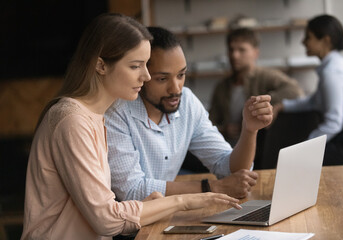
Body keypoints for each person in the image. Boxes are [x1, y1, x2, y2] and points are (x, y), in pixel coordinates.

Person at [20, 14, 243, 240]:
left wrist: (147, 207)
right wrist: (183, 200)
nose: (145, 76)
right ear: (100, 65)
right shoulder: (72, 121)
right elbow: (107, 220)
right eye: (135, 66)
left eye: (145, 65)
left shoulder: (94, 116)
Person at [105, 26, 273, 202]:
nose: (176, 89)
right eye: (162, 79)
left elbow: (231, 170)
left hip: (164, 212)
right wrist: (213, 187)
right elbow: (132, 190)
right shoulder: (116, 112)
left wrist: (249, 130)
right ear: (141, 75)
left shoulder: (187, 102)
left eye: (181, 75)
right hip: (128, 224)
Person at [274, 14, 343, 165]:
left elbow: (333, 123)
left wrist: (306, 146)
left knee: (298, 162)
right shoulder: (336, 63)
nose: (303, 42)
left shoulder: (332, 72)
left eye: (308, 37)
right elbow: (314, 101)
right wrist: (282, 106)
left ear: (325, 40)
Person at [209, 27, 303, 146]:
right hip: (226, 148)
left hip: (258, 148)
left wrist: (267, 103)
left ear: (255, 53)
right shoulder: (221, 86)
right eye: (231, 50)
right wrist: (224, 129)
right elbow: (209, 123)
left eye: (241, 50)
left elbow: (295, 91)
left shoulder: (265, 76)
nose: (235, 55)